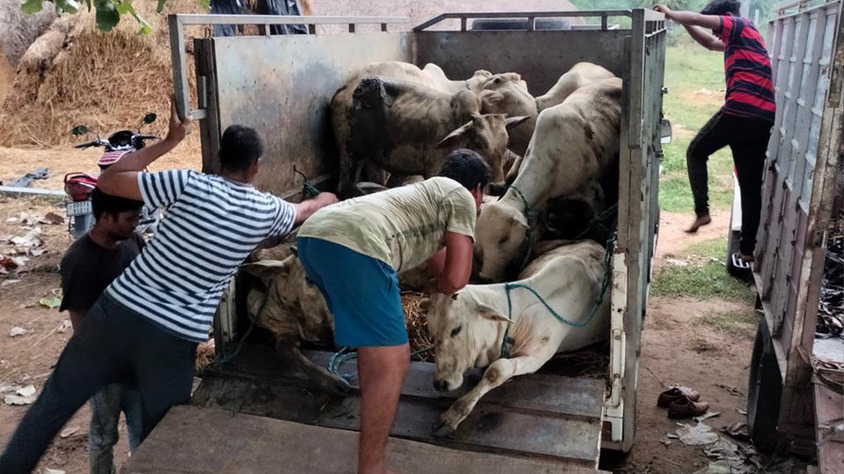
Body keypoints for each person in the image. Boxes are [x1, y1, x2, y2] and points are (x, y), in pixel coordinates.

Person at [0, 103, 338, 473]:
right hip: (171, 342)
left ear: (219, 158)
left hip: (116, 315)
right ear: (256, 166)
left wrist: (169, 141)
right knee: (161, 441)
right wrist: (329, 199)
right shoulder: (266, 211)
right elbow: (307, 210)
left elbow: (109, 180)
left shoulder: (186, 183)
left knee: (49, 409)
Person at [296, 149, 489, 474]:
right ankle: (372, 468)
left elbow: (440, 267)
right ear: (478, 190)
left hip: (314, 238)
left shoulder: (424, 195)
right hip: (357, 246)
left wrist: (438, 283)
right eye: (481, 198)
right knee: (394, 361)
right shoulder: (462, 198)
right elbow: (457, 279)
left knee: (376, 353)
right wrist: (441, 287)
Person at [655, 0, 775, 262]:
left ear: (727, 16)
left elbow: (698, 20)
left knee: (695, 152)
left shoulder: (738, 25)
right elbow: (709, 43)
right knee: (750, 185)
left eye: (718, 28)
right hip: (763, 117)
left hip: (740, 109)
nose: (717, 34)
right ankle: (747, 250)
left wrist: (671, 14)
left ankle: (702, 211)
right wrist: (684, 24)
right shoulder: (747, 36)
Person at [60, 188, 145, 474]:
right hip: (104, 368)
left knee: (143, 431)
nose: (135, 224)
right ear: (106, 217)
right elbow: (80, 325)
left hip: (137, 359)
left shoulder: (133, 240)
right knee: (104, 435)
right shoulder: (79, 260)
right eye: (130, 218)